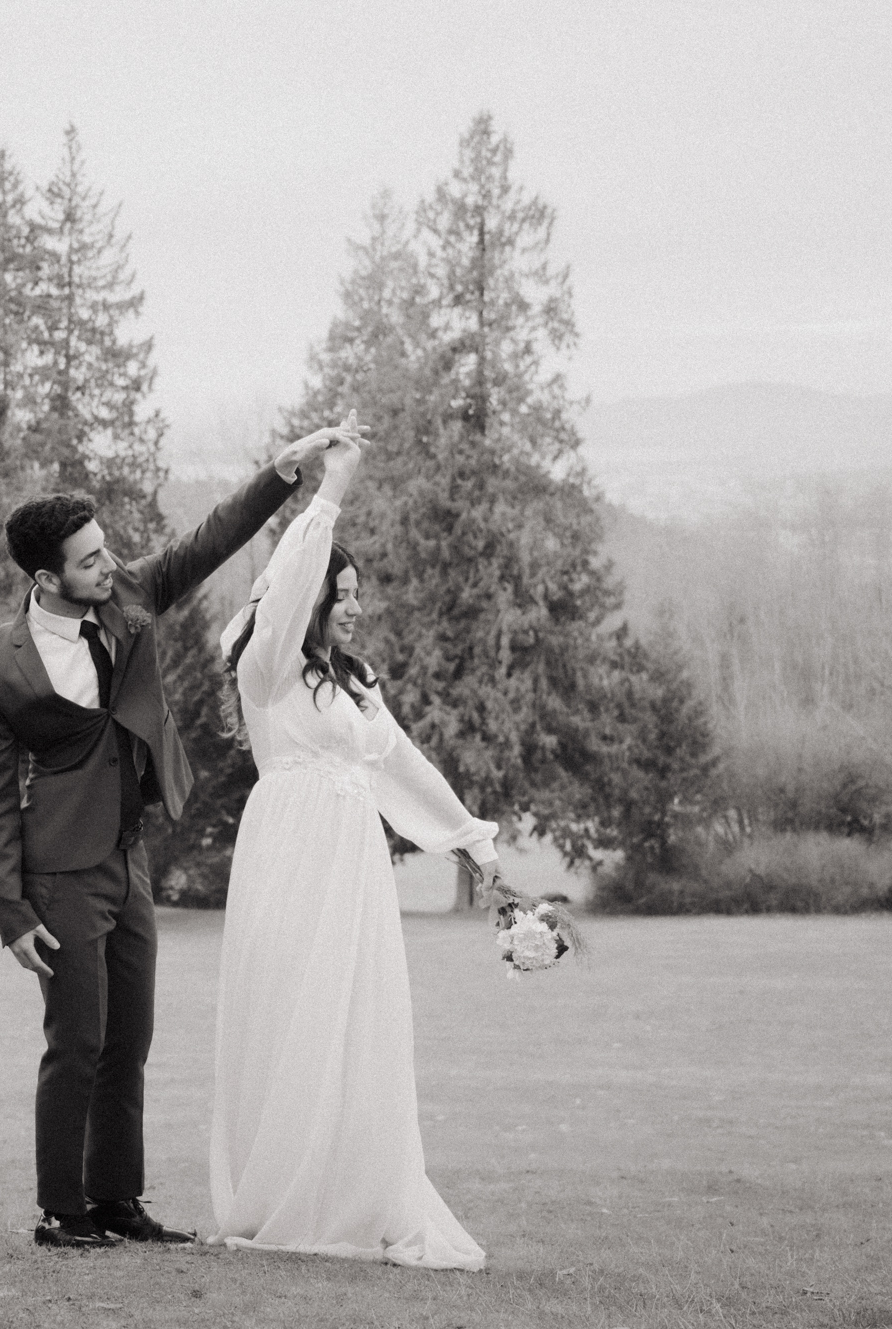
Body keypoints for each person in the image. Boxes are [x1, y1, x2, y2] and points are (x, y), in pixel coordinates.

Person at [0, 417, 371, 1250]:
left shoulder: (127, 597)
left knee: (130, 1039)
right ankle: (60, 1210)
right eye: (88, 560)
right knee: (75, 1040)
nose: (107, 566)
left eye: (106, 550)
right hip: (60, 871)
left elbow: (206, 541)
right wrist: (11, 914)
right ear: (46, 576)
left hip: (127, 855)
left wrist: (282, 473)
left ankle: (117, 1200)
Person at [210, 416, 497, 1271]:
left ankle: (354, 1190)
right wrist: (328, 491)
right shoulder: (263, 669)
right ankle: (285, 1190)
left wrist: (467, 840)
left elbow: (401, 766)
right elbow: (290, 585)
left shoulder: (356, 683)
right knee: (295, 1010)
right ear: (312, 598)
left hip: (352, 860)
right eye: (349, 591)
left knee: (355, 1016)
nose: (358, 603)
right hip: (289, 853)